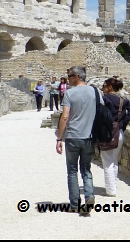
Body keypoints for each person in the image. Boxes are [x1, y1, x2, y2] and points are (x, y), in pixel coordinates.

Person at [56, 66, 99, 214]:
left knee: (72, 170)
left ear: (77, 76)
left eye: (69, 76)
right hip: (89, 137)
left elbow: (65, 117)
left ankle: (74, 204)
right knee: (86, 169)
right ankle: (89, 195)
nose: (68, 79)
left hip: (73, 136)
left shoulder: (69, 93)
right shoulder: (96, 91)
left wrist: (59, 138)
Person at [100, 76, 130, 197]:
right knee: (114, 160)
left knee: (107, 162)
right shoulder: (123, 100)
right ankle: (113, 185)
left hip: (107, 133)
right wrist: (121, 123)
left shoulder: (105, 99)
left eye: (104, 86)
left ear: (110, 87)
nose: (102, 88)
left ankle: (111, 190)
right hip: (119, 132)